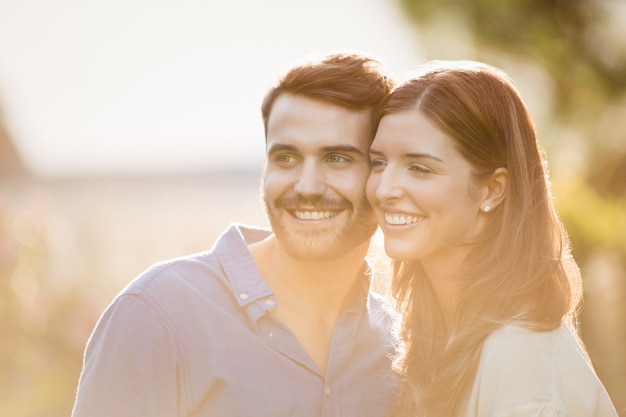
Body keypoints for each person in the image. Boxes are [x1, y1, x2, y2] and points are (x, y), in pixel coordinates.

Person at [71, 52, 399, 417]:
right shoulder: (158, 314)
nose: (306, 186)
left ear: (384, 176)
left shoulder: (397, 347)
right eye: (286, 158)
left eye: (337, 158)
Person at [366, 60, 618, 417]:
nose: (385, 189)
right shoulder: (437, 336)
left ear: (492, 189)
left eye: (419, 167)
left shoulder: (523, 365)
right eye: (378, 163)